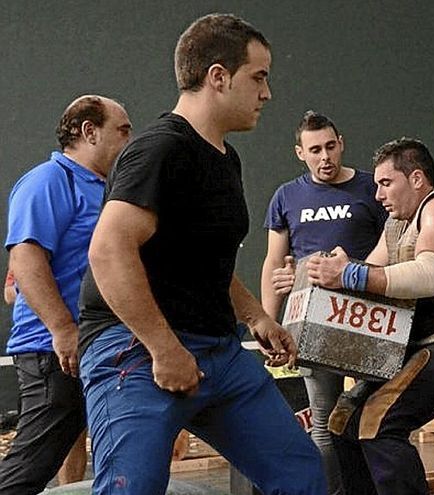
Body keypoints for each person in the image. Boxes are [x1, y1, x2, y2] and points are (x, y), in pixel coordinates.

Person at [76, 14, 324, 495]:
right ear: (217, 77)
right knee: (134, 487)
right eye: (258, 76)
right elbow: (108, 251)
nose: (267, 93)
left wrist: (255, 315)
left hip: (218, 353)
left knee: (301, 474)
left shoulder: (226, 159)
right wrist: (164, 349)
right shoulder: (159, 149)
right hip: (135, 349)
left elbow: (204, 255)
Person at [307, 137, 434, 495]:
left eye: (386, 183)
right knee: (343, 421)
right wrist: (315, 273)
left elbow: (428, 276)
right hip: (421, 345)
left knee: (378, 423)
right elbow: (367, 272)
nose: (378, 195)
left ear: (417, 179)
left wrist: (348, 274)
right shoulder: (396, 226)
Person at [0, 95, 131, 495]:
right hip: (51, 353)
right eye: (122, 131)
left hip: (100, 349)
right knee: (30, 467)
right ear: (89, 132)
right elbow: (25, 259)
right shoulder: (48, 181)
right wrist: (62, 329)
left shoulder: (107, 190)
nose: (131, 140)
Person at [262, 110, 387, 494]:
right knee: (323, 422)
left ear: (341, 143)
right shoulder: (286, 195)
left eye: (330, 147)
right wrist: (268, 322)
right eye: (315, 150)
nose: (325, 157)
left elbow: (393, 249)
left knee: (379, 418)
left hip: (369, 315)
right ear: (301, 153)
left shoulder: (371, 189)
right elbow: (273, 262)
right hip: (310, 321)